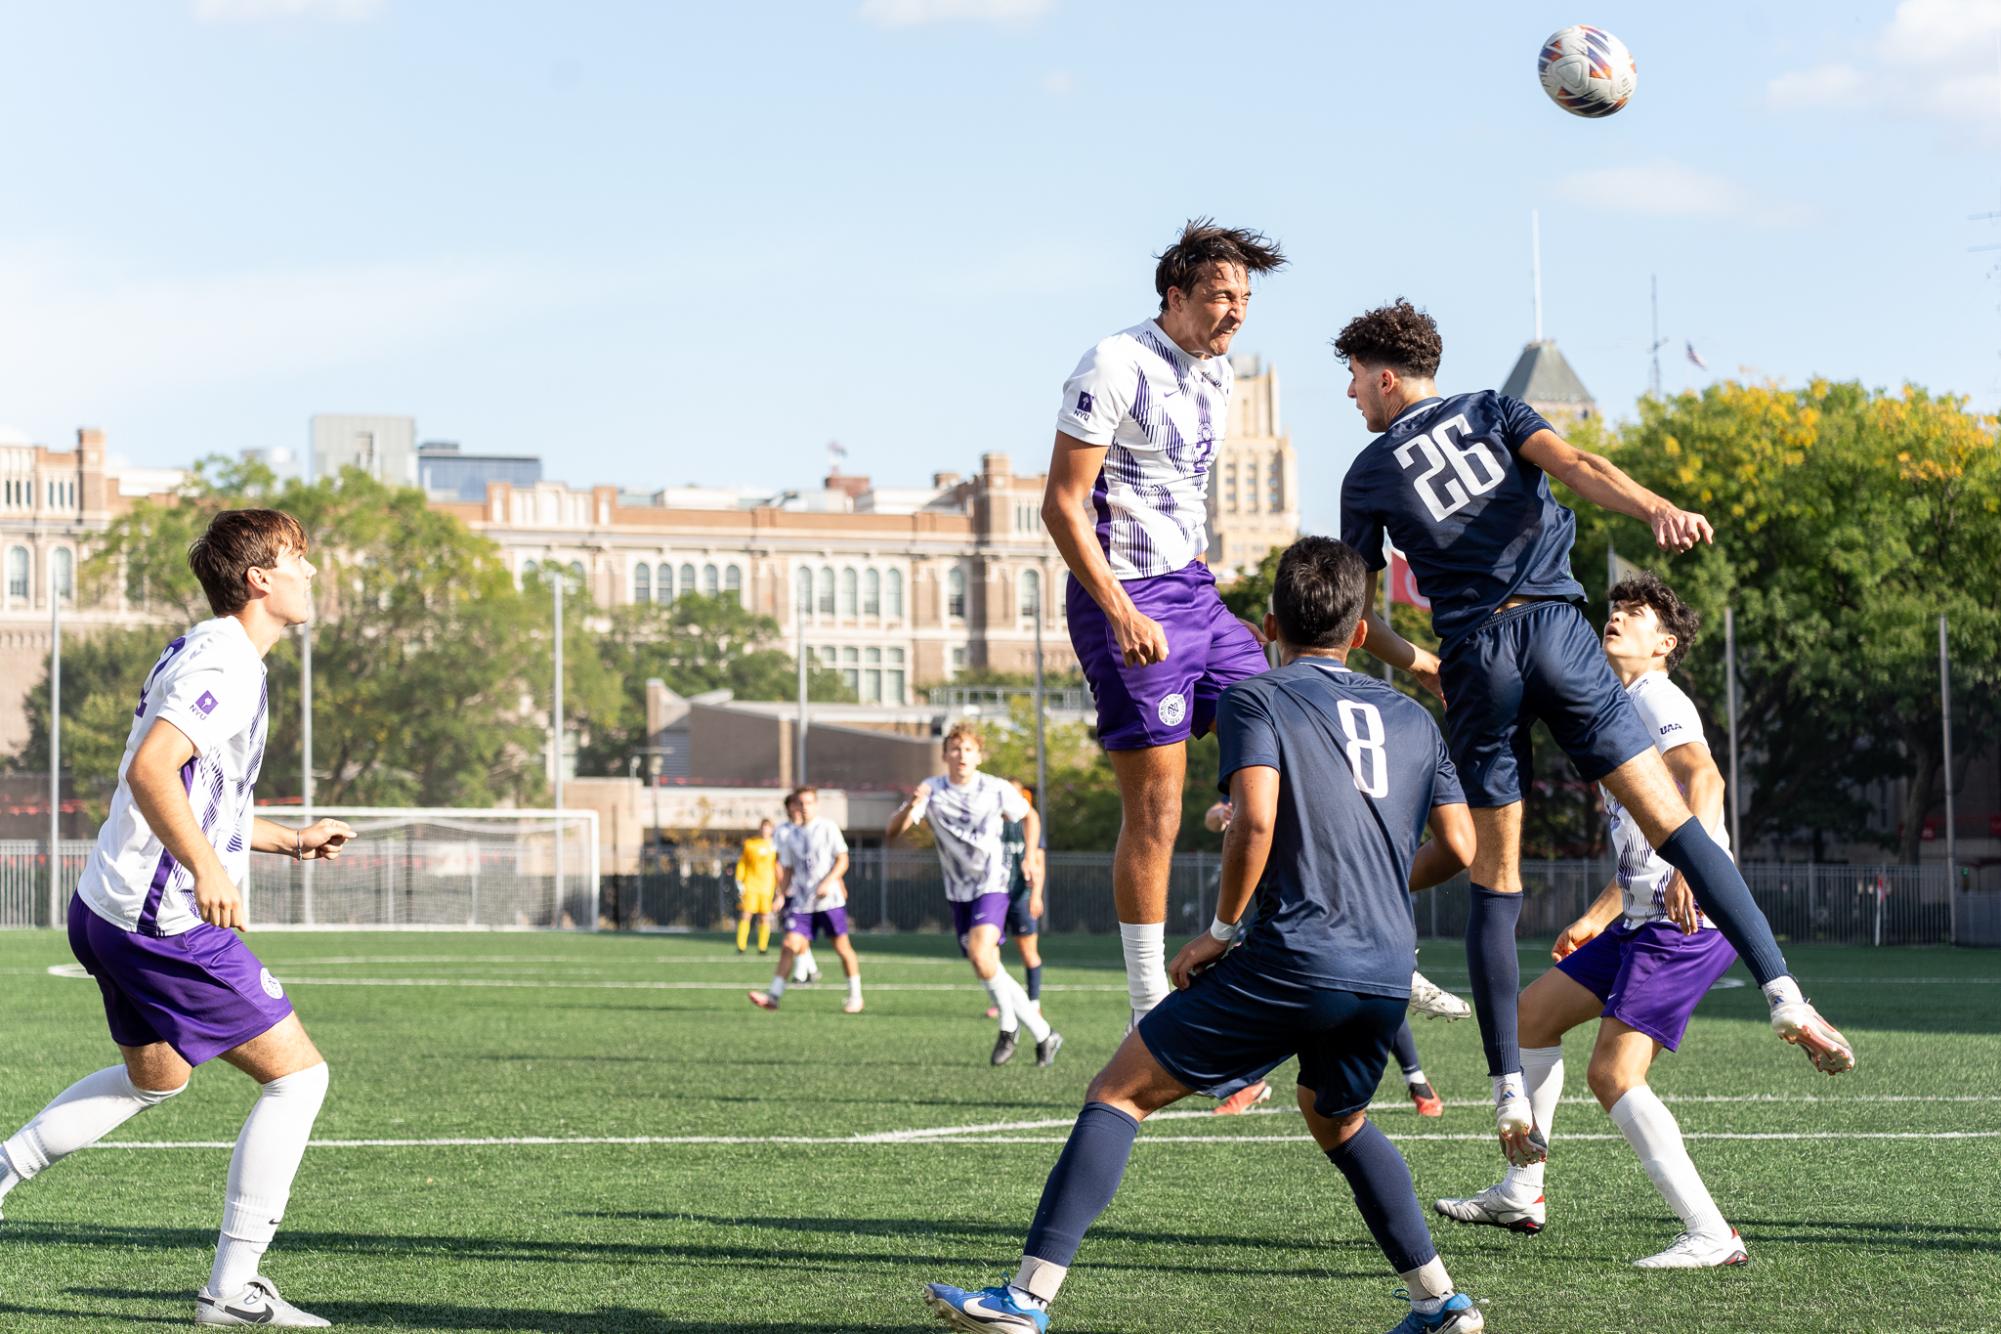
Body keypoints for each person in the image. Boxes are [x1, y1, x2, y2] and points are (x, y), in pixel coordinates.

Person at [1332, 300, 1853, 1167]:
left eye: (1352, 379)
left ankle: (1506, 1095)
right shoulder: (1493, 410)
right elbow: (1572, 463)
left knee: (1495, 882)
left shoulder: (1366, 472)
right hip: (1556, 634)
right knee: (1676, 829)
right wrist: (1654, 508)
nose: (1351, 396)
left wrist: (1419, 662)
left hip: (1474, 656)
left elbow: (1355, 617)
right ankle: (1784, 995)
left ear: (1387, 375)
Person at [923, 537, 1486, 1334]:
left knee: (1117, 1091)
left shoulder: (1258, 697)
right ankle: (1440, 1302)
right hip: (1384, 968)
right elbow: (1461, 849)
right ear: (1361, 632)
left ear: (1265, 627)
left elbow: (1252, 817)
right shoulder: (1414, 719)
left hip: (1294, 955)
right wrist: (1373, 889)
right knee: (1339, 1120)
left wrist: (1221, 930)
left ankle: (1024, 1300)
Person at [0, 509, 355, 1328]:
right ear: (260, 579)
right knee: (300, 1078)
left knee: (154, 1076)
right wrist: (203, 869)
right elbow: (152, 768)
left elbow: (199, 795)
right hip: (163, 921)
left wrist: (287, 841)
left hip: (107, 908)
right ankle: (232, 1291)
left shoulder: (212, 650)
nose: (311, 573)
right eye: (298, 560)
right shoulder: (227, 664)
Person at [1042, 219, 1287, 1116]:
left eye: (1245, 301)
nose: (1235, 314)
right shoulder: (1113, 362)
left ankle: (1249, 947)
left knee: (1291, 727)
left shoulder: (1217, 371)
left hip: (1196, 592)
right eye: (1221, 296)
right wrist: (1118, 611)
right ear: (1174, 295)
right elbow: (1062, 507)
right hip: (1128, 597)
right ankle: (1151, 1015)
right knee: (1155, 807)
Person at [1436, 572, 1750, 1269]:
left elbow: (1705, 780)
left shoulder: (1656, 696)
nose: (1614, 620)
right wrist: (1597, 913)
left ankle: (1711, 1234)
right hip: (1638, 917)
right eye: (1613, 610)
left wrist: (1683, 868)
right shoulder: (1609, 703)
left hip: (1686, 923)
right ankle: (1523, 1193)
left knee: (1612, 1075)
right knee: (1529, 1020)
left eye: (1633, 615)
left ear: (1663, 643)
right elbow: (1638, 847)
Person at [1206, 799, 1466, 1119]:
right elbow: (1220, 814)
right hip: (1280, 909)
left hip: (1327, 904)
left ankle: (1415, 1078)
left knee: (1376, 987)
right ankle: (1251, 1080)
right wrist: (1222, 814)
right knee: (1260, 988)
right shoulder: (1261, 772)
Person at [888, 724, 1061, 1067]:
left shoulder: (995, 789)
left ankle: (1009, 1026)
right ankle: (1044, 1033)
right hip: (958, 890)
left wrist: (1028, 856)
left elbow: (1031, 818)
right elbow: (893, 832)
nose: (961, 756)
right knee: (986, 964)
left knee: (982, 956)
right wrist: (912, 804)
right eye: (954, 749)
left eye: (968, 749)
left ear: (979, 756)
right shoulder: (932, 790)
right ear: (944, 756)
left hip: (992, 883)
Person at [750, 788, 862, 1014]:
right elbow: (788, 869)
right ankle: (773, 996)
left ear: (816, 805)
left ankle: (855, 996)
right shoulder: (790, 834)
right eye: (800, 803)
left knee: (842, 948)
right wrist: (781, 894)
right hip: (802, 903)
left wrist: (830, 881)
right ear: (794, 807)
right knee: (789, 944)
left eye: (809, 803)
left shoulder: (827, 828)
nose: (804, 807)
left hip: (829, 902)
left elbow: (842, 860)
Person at [997, 782, 1045, 1016]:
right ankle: (1003, 1001)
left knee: (1028, 951)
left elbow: (1039, 863)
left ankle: (1033, 1002)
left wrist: (1036, 895)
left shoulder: (1028, 826)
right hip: (994, 894)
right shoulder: (994, 822)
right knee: (990, 952)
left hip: (1020, 895)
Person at [734, 818, 780, 954]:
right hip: (751, 885)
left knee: (764, 916)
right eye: (763, 827)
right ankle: (741, 946)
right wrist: (739, 880)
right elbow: (742, 863)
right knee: (746, 914)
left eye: (768, 827)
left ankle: (762, 947)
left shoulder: (775, 846)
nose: (765, 830)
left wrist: (779, 886)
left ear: (772, 829)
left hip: (767, 886)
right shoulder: (750, 844)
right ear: (760, 829)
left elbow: (778, 867)